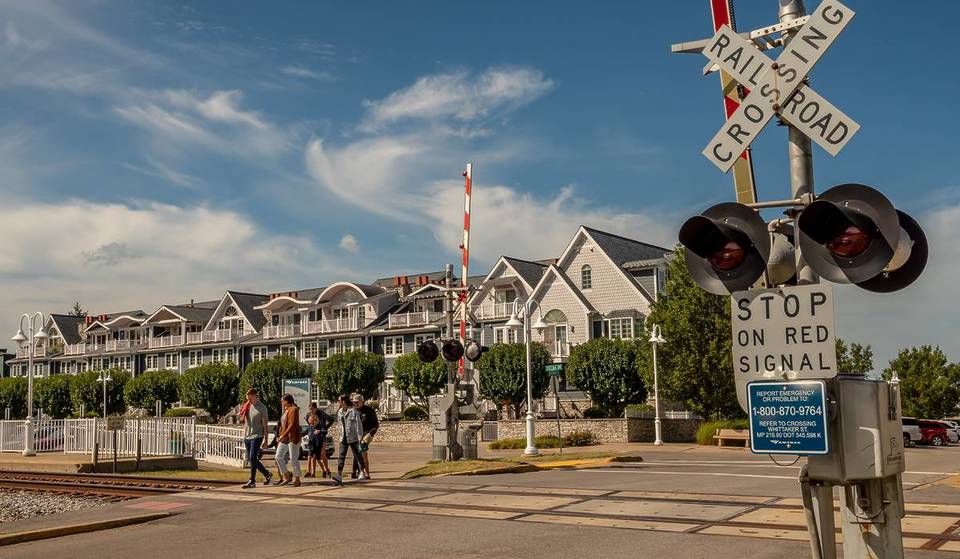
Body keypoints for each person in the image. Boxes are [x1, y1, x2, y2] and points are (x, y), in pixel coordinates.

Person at [240, 388, 272, 489]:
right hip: (248, 436)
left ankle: (252, 480)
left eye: (250, 398)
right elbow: (245, 421)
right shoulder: (247, 406)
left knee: (253, 457)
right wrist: (244, 433)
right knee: (251, 459)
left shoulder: (262, 408)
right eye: (247, 398)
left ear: (254, 396)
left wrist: (266, 440)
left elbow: (265, 425)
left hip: (257, 436)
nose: (248, 400)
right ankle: (267, 474)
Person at [331, 394, 365, 486]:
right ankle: (339, 475)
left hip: (353, 437)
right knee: (341, 456)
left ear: (343, 401)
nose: (338, 402)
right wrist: (339, 436)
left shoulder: (353, 411)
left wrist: (360, 437)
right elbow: (339, 425)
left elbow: (358, 425)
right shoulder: (340, 412)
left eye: (339, 401)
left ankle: (362, 471)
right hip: (343, 438)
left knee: (357, 455)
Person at [275, 394, 302, 487]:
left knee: (293, 459)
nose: (281, 402)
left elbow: (292, 424)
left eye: (282, 401)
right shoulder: (286, 410)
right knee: (278, 456)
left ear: (286, 401)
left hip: (292, 437)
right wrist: (280, 435)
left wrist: (283, 434)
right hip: (285, 437)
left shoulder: (293, 409)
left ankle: (297, 479)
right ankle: (287, 475)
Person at [351, 394, 379, 480]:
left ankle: (366, 473)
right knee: (357, 453)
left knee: (363, 452)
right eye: (354, 402)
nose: (355, 404)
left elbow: (375, 424)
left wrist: (370, 434)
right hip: (355, 435)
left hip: (366, 434)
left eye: (357, 402)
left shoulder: (369, 411)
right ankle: (354, 471)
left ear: (362, 401)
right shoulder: (352, 411)